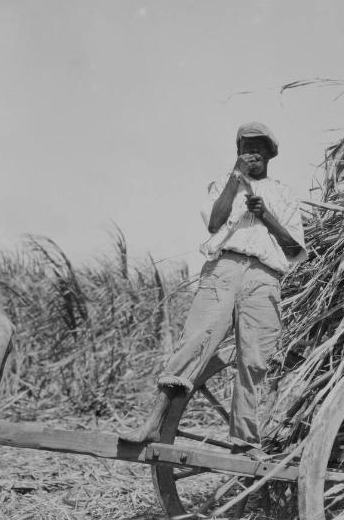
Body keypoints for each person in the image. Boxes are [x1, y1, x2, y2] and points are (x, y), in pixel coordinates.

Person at [126, 122, 307, 457]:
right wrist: (234, 182)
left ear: (270, 153)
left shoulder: (283, 193)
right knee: (195, 340)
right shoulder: (223, 186)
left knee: (254, 359)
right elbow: (214, 223)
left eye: (257, 148)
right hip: (224, 268)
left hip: (265, 276)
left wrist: (265, 215)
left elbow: (294, 249)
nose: (250, 155)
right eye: (244, 148)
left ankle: (245, 441)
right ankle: (152, 422)